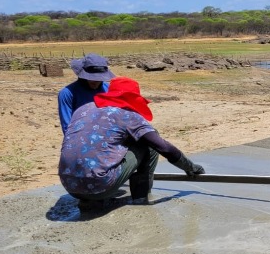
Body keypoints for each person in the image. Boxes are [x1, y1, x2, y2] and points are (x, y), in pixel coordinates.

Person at [58, 76, 205, 208]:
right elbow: (163, 148)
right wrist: (190, 167)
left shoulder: (83, 109)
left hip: (69, 186)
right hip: (99, 187)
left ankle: (88, 201)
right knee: (149, 145)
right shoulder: (128, 115)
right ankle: (140, 197)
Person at [57, 53, 115, 133]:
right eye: (91, 78)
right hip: (80, 136)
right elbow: (67, 125)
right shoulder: (67, 93)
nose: (95, 81)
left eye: (99, 78)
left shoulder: (109, 89)